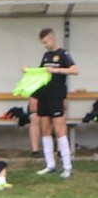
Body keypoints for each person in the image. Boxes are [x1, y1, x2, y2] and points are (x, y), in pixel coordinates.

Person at [28, 28, 79, 178]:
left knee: (59, 130)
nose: (44, 45)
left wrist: (57, 70)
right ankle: (50, 164)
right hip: (44, 97)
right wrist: (29, 70)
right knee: (45, 129)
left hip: (57, 97)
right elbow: (41, 74)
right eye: (42, 43)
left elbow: (75, 70)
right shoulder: (46, 55)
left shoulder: (63, 54)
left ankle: (67, 166)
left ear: (52, 39)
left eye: (45, 42)